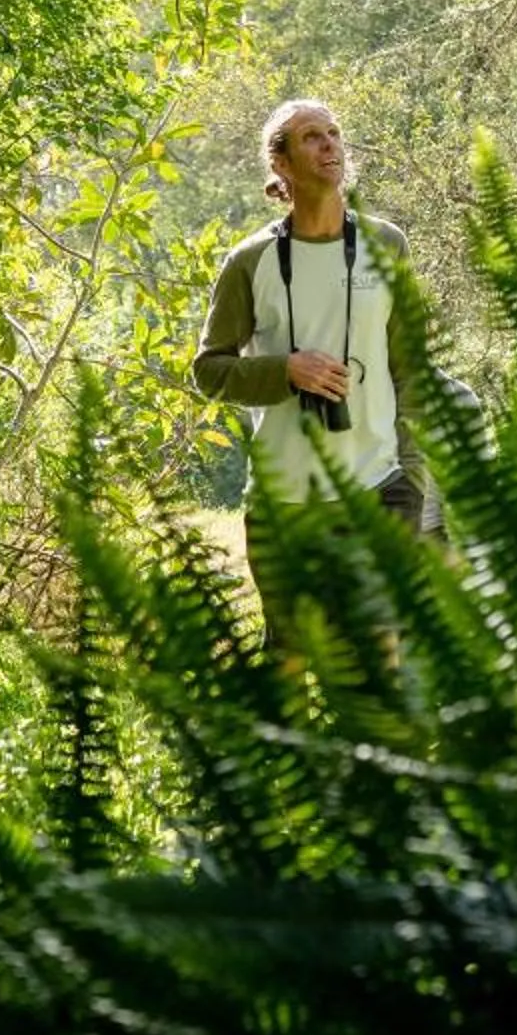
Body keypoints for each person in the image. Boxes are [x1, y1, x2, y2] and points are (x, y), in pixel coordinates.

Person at [192, 99, 429, 634]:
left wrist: (412, 476)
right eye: (311, 137)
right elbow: (209, 371)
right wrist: (285, 371)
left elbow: (411, 367)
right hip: (287, 502)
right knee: (291, 660)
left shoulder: (386, 245)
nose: (329, 145)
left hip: (380, 488)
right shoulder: (250, 261)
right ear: (281, 164)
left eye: (334, 133)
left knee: (378, 658)